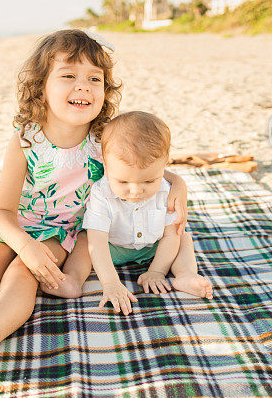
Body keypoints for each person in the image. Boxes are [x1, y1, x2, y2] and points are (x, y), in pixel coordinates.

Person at [0, 29, 188, 376]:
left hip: (60, 230)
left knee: (21, 275)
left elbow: (143, 163)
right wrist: (23, 244)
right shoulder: (27, 139)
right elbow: (2, 211)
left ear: (106, 90)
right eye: (68, 76)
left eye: (95, 78)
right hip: (13, 223)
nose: (84, 86)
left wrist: (176, 181)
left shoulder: (104, 139)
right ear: (41, 87)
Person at [49, 111, 212, 315]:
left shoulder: (167, 190)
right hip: (113, 247)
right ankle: (73, 278)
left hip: (156, 248)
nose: (136, 191)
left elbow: (170, 235)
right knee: (84, 241)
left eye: (148, 181)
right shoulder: (101, 193)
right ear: (106, 167)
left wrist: (157, 271)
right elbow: (97, 242)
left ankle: (186, 275)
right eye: (123, 182)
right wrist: (110, 283)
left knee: (182, 237)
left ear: (165, 164)